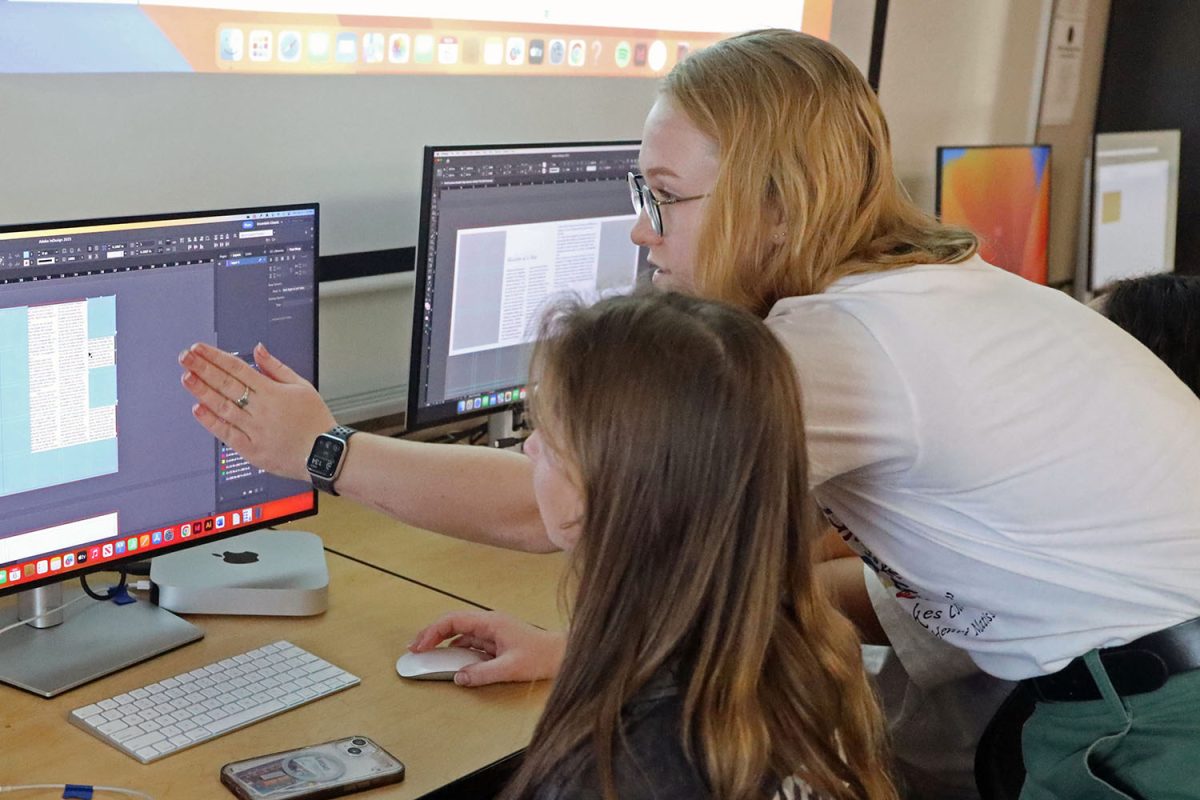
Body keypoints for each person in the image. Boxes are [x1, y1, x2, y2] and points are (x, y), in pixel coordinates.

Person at [180, 29, 1200, 799]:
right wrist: (593, 650)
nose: (640, 224)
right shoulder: (933, 291)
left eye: (665, 193)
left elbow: (579, 506)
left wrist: (320, 447)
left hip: (1149, 726)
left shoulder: (843, 343)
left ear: (778, 205)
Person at [455, 289, 896, 799]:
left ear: (616, 484)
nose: (529, 447)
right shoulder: (807, 661)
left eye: (547, 434)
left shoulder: (617, 772)